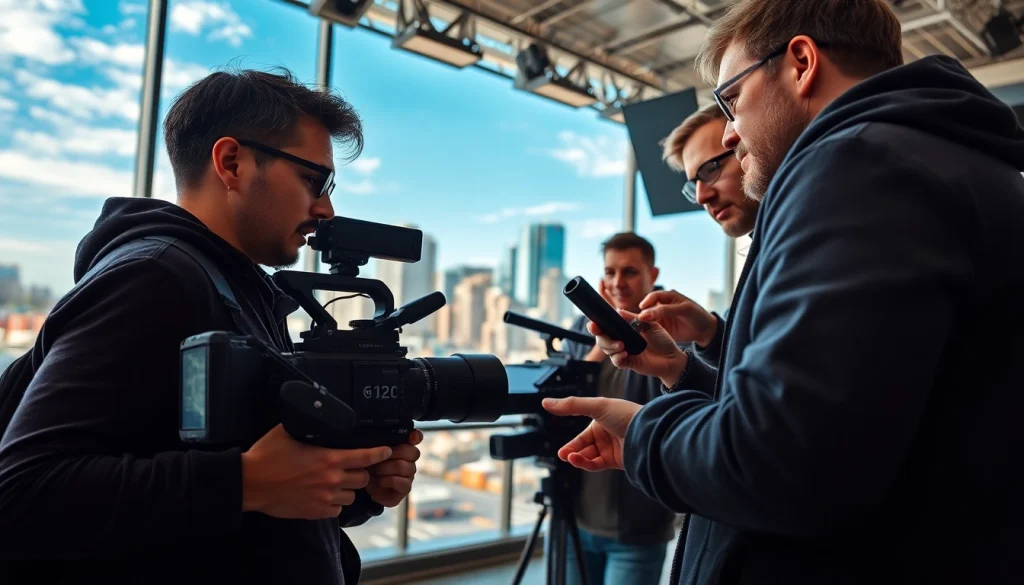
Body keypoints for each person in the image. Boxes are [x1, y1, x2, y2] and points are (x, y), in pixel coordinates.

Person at [543, 0, 1024, 583]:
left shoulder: (857, 164)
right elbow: (842, 420)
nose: (728, 130)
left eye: (732, 99)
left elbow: (777, 464)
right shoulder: (935, 160)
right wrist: (685, 374)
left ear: (800, 62)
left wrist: (643, 430)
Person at [0, 68, 420, 584]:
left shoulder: (233, 287)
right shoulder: (155, 276)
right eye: (313, 179)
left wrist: (347, 487)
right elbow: (21, 491)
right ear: (232, 162)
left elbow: (218, 488)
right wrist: (246, 482)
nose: (326, 208)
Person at [560, 233, 676, 585]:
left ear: (651, 274)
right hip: (575, 516)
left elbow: (675, 407)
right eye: (610, 272)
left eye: (629, 272)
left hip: (638, 527)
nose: (617, 282)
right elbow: (562, 390)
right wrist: (602, 331)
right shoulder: (582, 329)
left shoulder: (669, 331)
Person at [646, 103, 762, 380]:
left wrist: (643, 423)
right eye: (692, 184)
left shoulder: (796, 247)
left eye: (710, 169)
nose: (700, 197)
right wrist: (710, 333)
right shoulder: (767, 250)